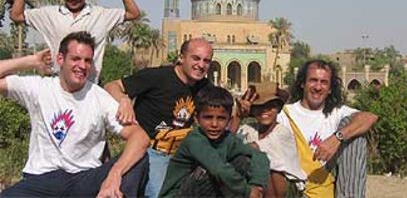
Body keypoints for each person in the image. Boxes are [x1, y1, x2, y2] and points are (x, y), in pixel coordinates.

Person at [0, 31, 149, 198]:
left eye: (87, 61)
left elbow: (140, 137)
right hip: (42, 179)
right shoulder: (39, 88)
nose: (82, 66)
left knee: (139, 159)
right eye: (75, 59)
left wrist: (115, 174)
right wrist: (31, 61)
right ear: (60, 59)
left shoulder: (98, 97)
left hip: (84, 179)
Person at [104, 37, 213, 197]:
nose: (201, 65)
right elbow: (111, 86)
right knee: (159, 194)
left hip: (181, 153)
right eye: (196, 58)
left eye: (206, 61)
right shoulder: (157, 77)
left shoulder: (204, 87)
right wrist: (124, 99)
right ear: (181, 57)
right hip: (152, 151)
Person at [10, 0, 140, 83]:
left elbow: (133, 13)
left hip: (89, 87)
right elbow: (16, 15)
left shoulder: (101, 15)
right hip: (59, 87)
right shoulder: (49, 15)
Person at [276, 59, 378, 198]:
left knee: (356, 135)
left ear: (330, 89)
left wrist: (337, 138)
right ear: (302, 83)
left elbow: (370, 117)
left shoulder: (336, 113)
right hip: (296, 189)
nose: (318, 87)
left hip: (328, 186)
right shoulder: (285, 114)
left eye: (324, 82)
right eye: (313, 80)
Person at [159, 85, 270, 198]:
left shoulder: (227, 139)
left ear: (229, 120)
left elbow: (259, 155)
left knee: (242, 160)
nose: (214, 124)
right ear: (197, 119)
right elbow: (218, 169)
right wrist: (248, 191)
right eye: (208, 117)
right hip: (180, 194)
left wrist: (257, 185)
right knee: (207, 170)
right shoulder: (194, 139)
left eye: (221, 118)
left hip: (205, 191)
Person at [233, 82, 307, 198]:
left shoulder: (282, 132)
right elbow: (226, 143)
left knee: (266, 165)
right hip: (257, 186)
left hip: (288, 190)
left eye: (270, 106)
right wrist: (238, 117)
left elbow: (253, 148)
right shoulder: (248, 129)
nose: (265, 111)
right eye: (259, 107)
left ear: (278, 108)